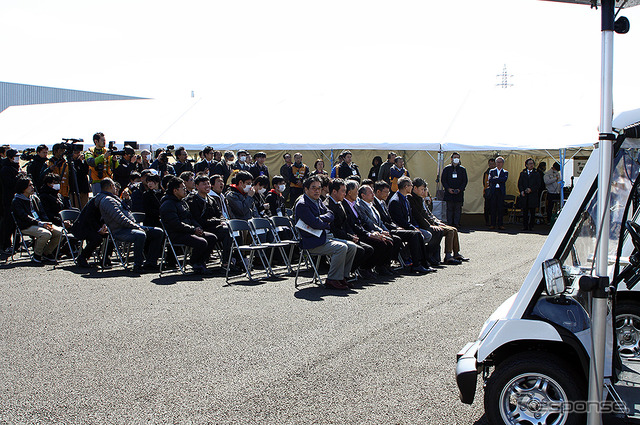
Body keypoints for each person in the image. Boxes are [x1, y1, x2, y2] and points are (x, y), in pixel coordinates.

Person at [295, 176, 357, 290]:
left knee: (352, 246)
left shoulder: (318, 201)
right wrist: (324, 222)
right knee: (341, 248)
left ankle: (342, 277)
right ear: (306, 189)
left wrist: (320, 219)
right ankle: (332, 279)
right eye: (313, 188)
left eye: (319, 188)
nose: (317, 191)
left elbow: (330, 214)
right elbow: (315, 224)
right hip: (312, 242)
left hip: (324, 237)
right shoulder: (302, 204)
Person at [95, 178, 164, 273]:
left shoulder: (114, 198)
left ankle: (151, 263)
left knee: (158, 232)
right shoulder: (107, 200)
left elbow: (127, 213)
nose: (116, 188)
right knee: (140, 235)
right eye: (114, 186)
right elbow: (120, 219)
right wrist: (137, 227)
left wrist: (127, 201)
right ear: (111, 186)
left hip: (130, 227)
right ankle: (137, 265)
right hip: (120, 230)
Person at [159, 177, 218, 274]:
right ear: (175, 190)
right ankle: (195, 263)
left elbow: (190, 218)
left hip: (188, 231)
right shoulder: (168, 204)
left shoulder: (182, 202)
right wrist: (193, 230)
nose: (185, 190)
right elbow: (176, 224)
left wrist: (198, 227)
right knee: (202, 242)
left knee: (212, 237)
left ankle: (201, 262)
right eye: (182, 188)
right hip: (177, 234)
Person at [372, 180, 432, 273]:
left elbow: (392, 220)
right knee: (415, 234)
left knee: (419, 234)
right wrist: (396, 227)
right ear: (406, 186)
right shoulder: (392, 201)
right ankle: (416, 264)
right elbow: (389, 221)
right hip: (389, 229)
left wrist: (411, 226)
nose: (388, 194)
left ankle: (423, 263)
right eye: (386, 192)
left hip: (394, 227)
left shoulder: (384, 202)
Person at [409, 178, 468, 265]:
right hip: (423, 225)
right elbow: (419, 216)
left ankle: (456, 253)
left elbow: (429, 214)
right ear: (415, 188)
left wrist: (437, 222)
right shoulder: (412, 198)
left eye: (424, 189)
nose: (424, 191)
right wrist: (431, 225)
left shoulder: (421, 199)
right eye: (422, 189)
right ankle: (447, 255)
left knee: (454, 229)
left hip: (431, 223)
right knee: (450, 231)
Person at [343, 180, 395, 277]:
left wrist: (374, 232)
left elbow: (363, 221)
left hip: (363, 231)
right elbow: (353, 225)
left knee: (387, 241)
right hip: (356, 234)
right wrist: (369, 233)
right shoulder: (346, 205)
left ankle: (381, 266)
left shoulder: (354, 204)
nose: (358, 193)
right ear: (349, 193)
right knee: (377, 245)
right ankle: (364, 268)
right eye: (356, 191)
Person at [325, 179, 373, 280]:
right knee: (359, 250)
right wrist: (349, 237)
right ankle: (341, 275)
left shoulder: (340, 203)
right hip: (335, 237)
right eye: (343, 191)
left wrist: (352, 235)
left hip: (346, 235)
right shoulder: (328, 206)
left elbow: (346, 224)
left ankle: (346, 274)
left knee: (368, 249)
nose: (345, 193)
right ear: (334, 191)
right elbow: (334, 229)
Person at [11, 177, 62, 263]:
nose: (32, 187)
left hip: (40, 223)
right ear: (23, 188)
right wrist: (41, 224)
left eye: (32, 185)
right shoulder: (17, 201)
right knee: (45, 234)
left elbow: (42, 213)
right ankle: (37, 255)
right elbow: (24, 217)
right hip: (26, 225)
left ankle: (46, 253)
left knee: (59, 232)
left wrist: (47, 222)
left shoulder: (34, 198)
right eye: (29, 185)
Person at [354, 184, 402, 275]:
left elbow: (380, 221)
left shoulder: (372, 205)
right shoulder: (360, 206)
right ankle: (373, 267)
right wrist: (381, 231)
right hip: (370, 231)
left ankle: (385, 265)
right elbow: (368, 222)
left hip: (378, 230)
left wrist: (385, 230)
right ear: (363, 195)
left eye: (373, 192)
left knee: (394, 239)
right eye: (370, 193)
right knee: (383, 242)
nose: (373, 195)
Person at [186, 175, 231, 267]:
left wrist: (222, 220)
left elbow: (219, 214)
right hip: (202, 227)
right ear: (197, 186)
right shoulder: (193, 200)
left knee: (230, 230)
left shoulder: (211, 199)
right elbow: (197, 219)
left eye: (208, 184)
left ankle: (230, 259)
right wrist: (217, 221)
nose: (207, 186)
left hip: (213, 226)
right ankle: (224, 262)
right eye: (203, 184)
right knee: (225, 232)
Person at [0, 149, 25, 251]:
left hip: (17, 198)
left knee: (17, 223)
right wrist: (18, 177)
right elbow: (9, 183)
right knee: (9, 223)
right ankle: (6, 245)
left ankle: (17, 244)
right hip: (8, 199)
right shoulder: (5, 169)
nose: (17, 158)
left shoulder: (16, 167)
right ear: (10, 158)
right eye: (15, 156)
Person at [440, 152, 468, 228]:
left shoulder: (462, 169)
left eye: (458, 157)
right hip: (449, 192)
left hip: (459, 193)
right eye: (455, 157)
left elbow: (465, 181)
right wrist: (448, 189)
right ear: (451, 159)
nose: (456, 159)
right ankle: (449, 223)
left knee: (458, 208)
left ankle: (456, 223)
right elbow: (443, 180)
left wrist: (460, 189)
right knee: (449, 208)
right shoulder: (447, 169)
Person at [518, 158, 541, 231]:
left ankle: (531, 225)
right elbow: (520, 183)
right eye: (530, 164)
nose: (531, 165)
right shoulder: (523, 173)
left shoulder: (536, 173)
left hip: (532, 195)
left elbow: (538, 184)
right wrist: (521, 191)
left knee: (532, 211)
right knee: (525, 211)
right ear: (526, 165)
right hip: (525, 195)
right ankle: (525, 225)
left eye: (532, 164)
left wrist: (531, 189)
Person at [488, 156, 508, 229]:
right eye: (497, 162)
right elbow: (490, 179)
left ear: (502, 163)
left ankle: (500, 224)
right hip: (494, 191)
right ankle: (492, 224)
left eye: (500, 162)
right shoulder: (492, 171)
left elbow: (504, 179)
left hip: (500, 191)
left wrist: (496, 178)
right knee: (493, 208)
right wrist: (499, 179)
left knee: (500, 208)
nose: (498, 164)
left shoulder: (505, 172)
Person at [482, 158, 496, 226]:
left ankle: (494, 221)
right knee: (487, 208)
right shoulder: (486, 173)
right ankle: (487, 221)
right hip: (487, 192)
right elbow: (484, 182)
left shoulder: (497, 172)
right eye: (490, 164)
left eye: (493, 164)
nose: (491, 165)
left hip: (495, 192)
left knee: (494, 208)